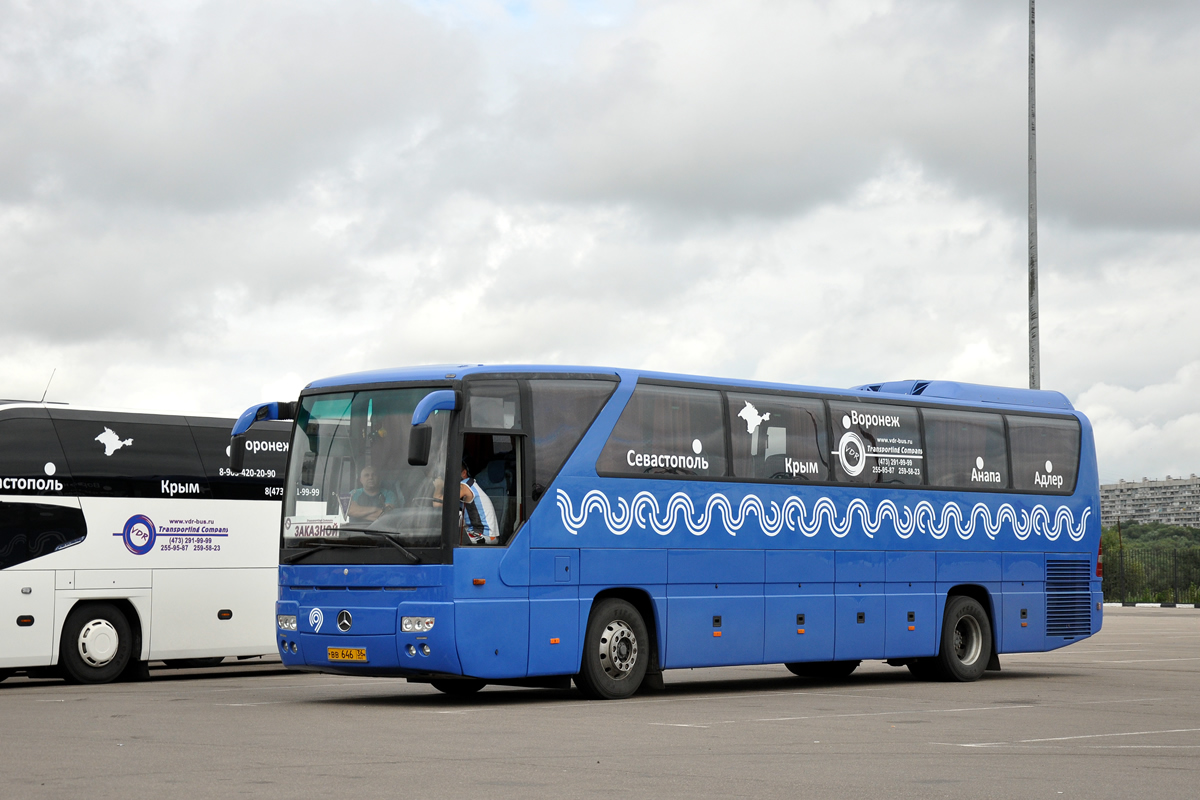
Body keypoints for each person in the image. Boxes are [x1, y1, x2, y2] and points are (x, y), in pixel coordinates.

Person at [434, 462, 499, 545]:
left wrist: (438, 486)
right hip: (478, 532)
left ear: (464, 473)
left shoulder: (465, 485)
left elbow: (437, 504)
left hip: (484, 535)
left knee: (445, 540)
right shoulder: (470, 484)